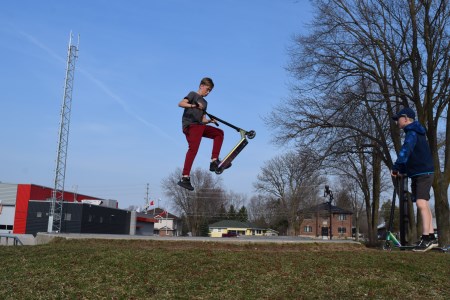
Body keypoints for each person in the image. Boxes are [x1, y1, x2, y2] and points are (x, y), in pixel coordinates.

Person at [391, 107, 437, 252]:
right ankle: (430, 237)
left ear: (405, 118)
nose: (397, 122)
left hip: (423, 172)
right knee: (425, 203)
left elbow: (406, 151)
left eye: (398, 118)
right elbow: (412, 157)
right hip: (421, 172)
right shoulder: (416, 132)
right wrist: (403, 170)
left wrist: (396, 167)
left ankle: (426, 238)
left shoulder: (412, 132)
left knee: (421, 203)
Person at [177, 77, 230, 191]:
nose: (208, 92)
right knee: (193, 149)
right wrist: (194, 105)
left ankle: (214, 161)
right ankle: (184, 177)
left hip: (199, 126)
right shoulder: (193, 95)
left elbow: (202, 119)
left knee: (219, 133)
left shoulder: (205, 103)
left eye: (210, 90)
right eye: (207, 89)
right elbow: (181, 103)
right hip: (190, 126)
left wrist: (210, 121)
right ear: (201, 86)